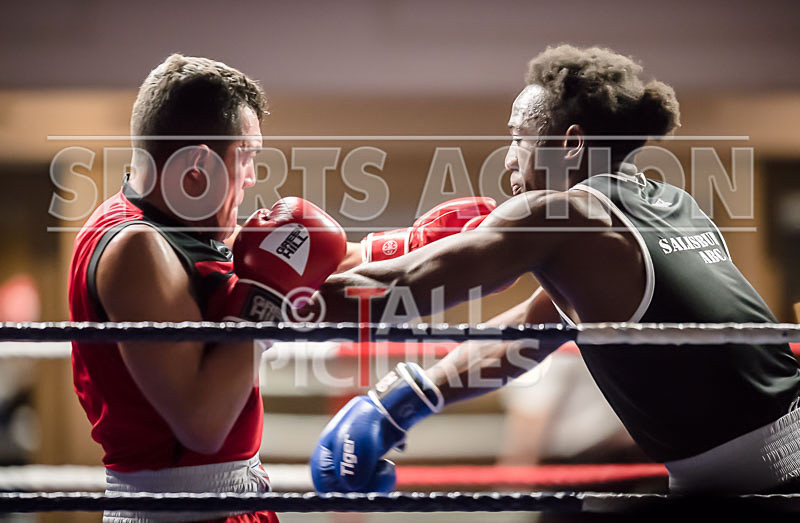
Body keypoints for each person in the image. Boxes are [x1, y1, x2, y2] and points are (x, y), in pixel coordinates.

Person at [308, 45, 800, 494]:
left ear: (570, 144)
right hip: (768, 466)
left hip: (759, 486)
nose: (508, 163)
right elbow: (529, 330)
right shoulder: (675, 204)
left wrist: (251, 295)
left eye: (518, 138)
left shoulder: (561, 214)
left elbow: (403, 288)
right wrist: (404, 399)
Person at [68, 54, 349, 522]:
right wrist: (266, 296)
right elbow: (202, 424)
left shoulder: (181, 231)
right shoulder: (137, 249)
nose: (252, 177)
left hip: (228, 503)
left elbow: (327, 260)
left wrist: (416, 241)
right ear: (197, 166)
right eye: (247, 156)